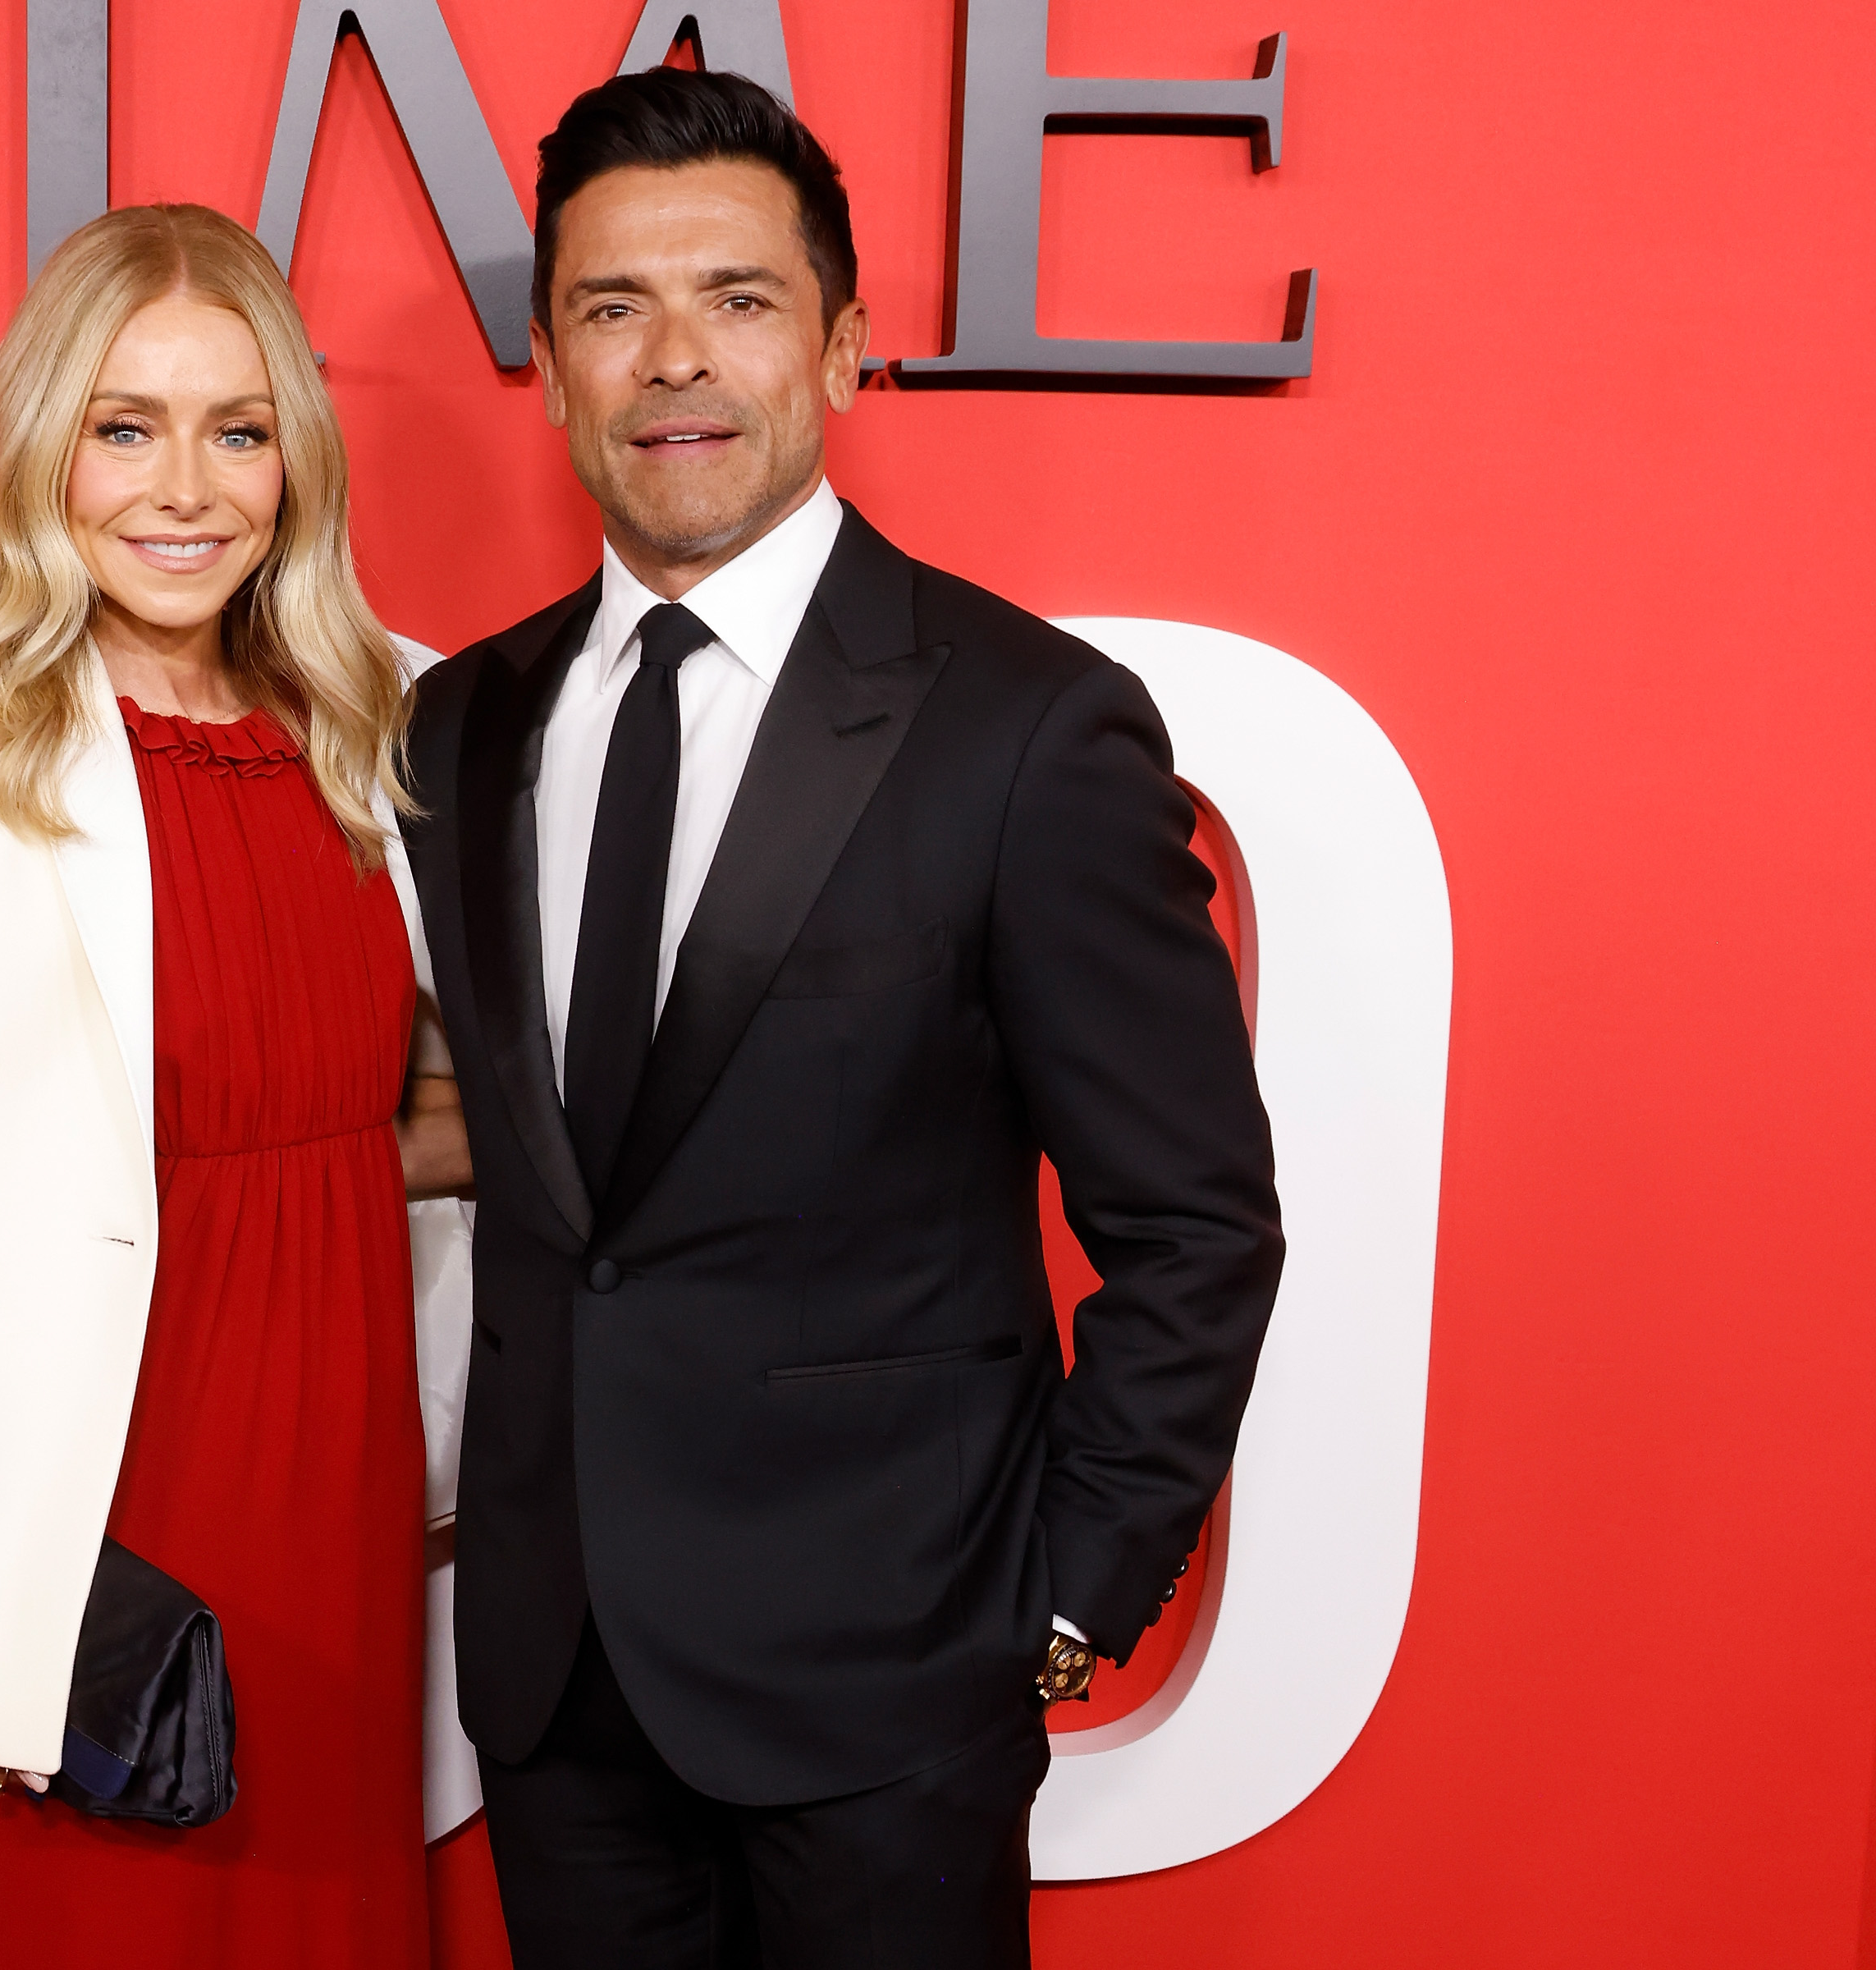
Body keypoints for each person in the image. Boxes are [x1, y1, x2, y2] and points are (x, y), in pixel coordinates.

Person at [396, 71, 1286, 1968]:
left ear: (846, 345)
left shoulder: (1028, 724)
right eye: (612, 308)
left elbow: (1197, 1220)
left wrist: (1061, 1602)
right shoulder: (457, 729)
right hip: (559, 1688)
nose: (673, 360)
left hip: (896, 1684)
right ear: (549, 364)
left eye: (737, 296)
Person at [0, 203, 467, 1969]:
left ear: (297, 460)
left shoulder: (386, 735)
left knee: (335, 1912)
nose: (184, 486)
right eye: (125, 426)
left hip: (353, 1454)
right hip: (92, 1479)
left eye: (239, 428)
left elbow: (448, 1105)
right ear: (44, 447)